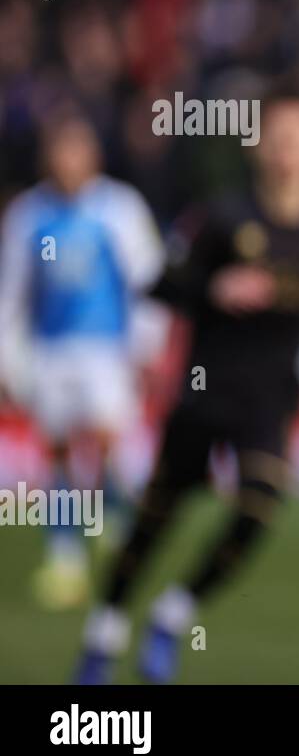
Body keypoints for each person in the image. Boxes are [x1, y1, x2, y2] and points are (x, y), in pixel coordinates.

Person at [75, 94, 299, 683]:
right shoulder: (223, 215)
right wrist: (215, 287)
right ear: (257, 144)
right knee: (156, 518)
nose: (287, 146)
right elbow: (162, 285)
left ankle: (174, 613)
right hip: (205, 388)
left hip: (272, 394)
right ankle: (106, 629)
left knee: (259, 506)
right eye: (277, 133)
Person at [0, 113, 163, 610]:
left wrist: (146, 346)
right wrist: (9, 358)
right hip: (51, 350)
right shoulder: (28, 214)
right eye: (59, 150)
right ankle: (65, 557)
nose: (68, 161)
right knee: (57, 452)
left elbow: (147, 278)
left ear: (93, 155)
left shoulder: (118, 208)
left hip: (105, 349)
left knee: (112, 443)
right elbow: (13, 291)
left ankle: (119, 532)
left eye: (77, 150)